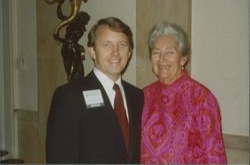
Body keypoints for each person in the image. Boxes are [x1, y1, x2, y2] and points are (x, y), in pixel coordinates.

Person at [46, 17, 144, 163]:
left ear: (129, 52)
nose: (115, 53)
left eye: (122, 45)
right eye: (107, 44)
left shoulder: (137, 96)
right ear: (92, 51)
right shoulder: (69, 96)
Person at [140, 21, 227, 164]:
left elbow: (215, 157)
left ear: (183, 58)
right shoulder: (144, 96)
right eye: (156, 52)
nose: (162, 59)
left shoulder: (201, 98)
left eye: (170, 52)